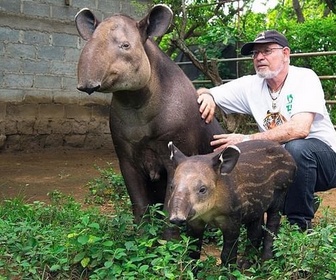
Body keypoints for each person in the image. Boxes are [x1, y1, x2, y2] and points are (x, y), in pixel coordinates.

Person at [197, 30, 336, 231]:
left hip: (326, 161)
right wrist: (207, 97)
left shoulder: (305, 78)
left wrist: (246, 139)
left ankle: (298, 226)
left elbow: (300, 128)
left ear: (286, 54)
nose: (260, 57)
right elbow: (207, 92)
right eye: (255, 53)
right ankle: (232, 220)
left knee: (296, 148)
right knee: (270, 155)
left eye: (267, 51)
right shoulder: (251, 84)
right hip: (284, 162)